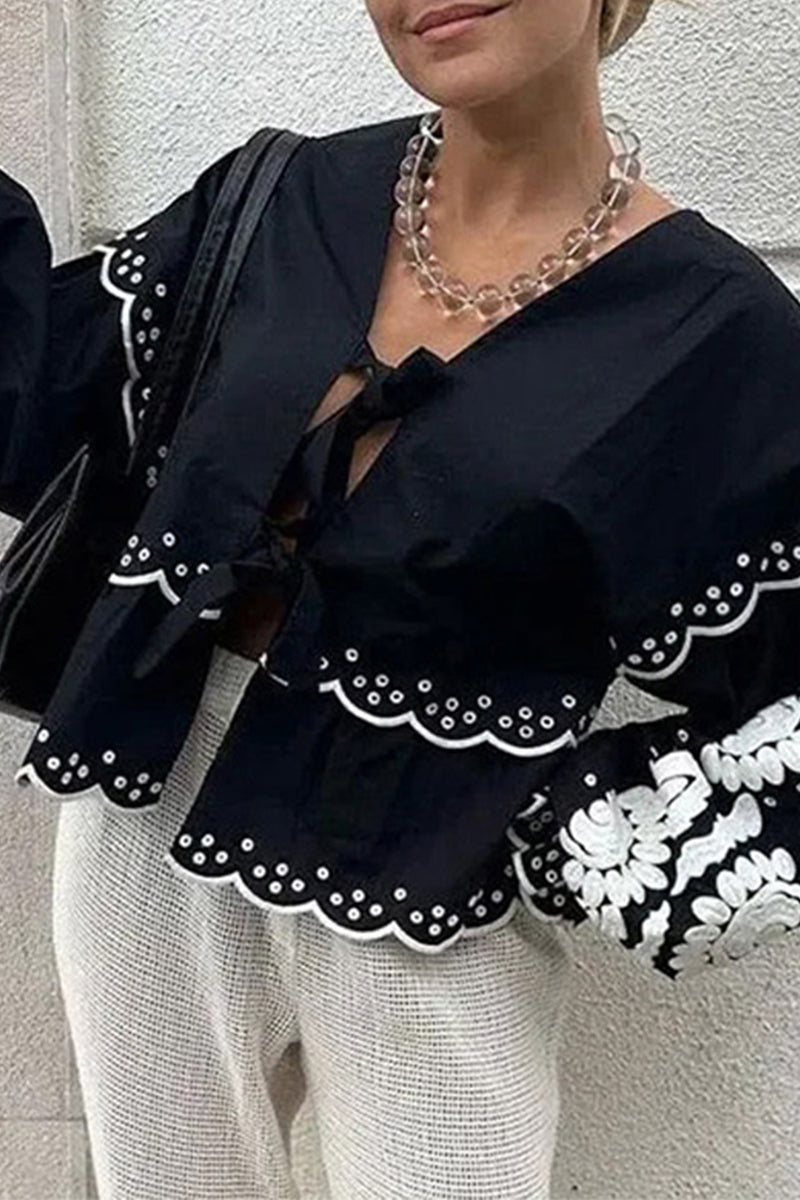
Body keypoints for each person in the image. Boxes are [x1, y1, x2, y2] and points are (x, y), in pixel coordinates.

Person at [3, 0, 800, 1196]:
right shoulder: (280, 202)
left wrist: (574, 826)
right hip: (142, 824)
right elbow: (43, 391)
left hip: (429, 882)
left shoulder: (714, 331)